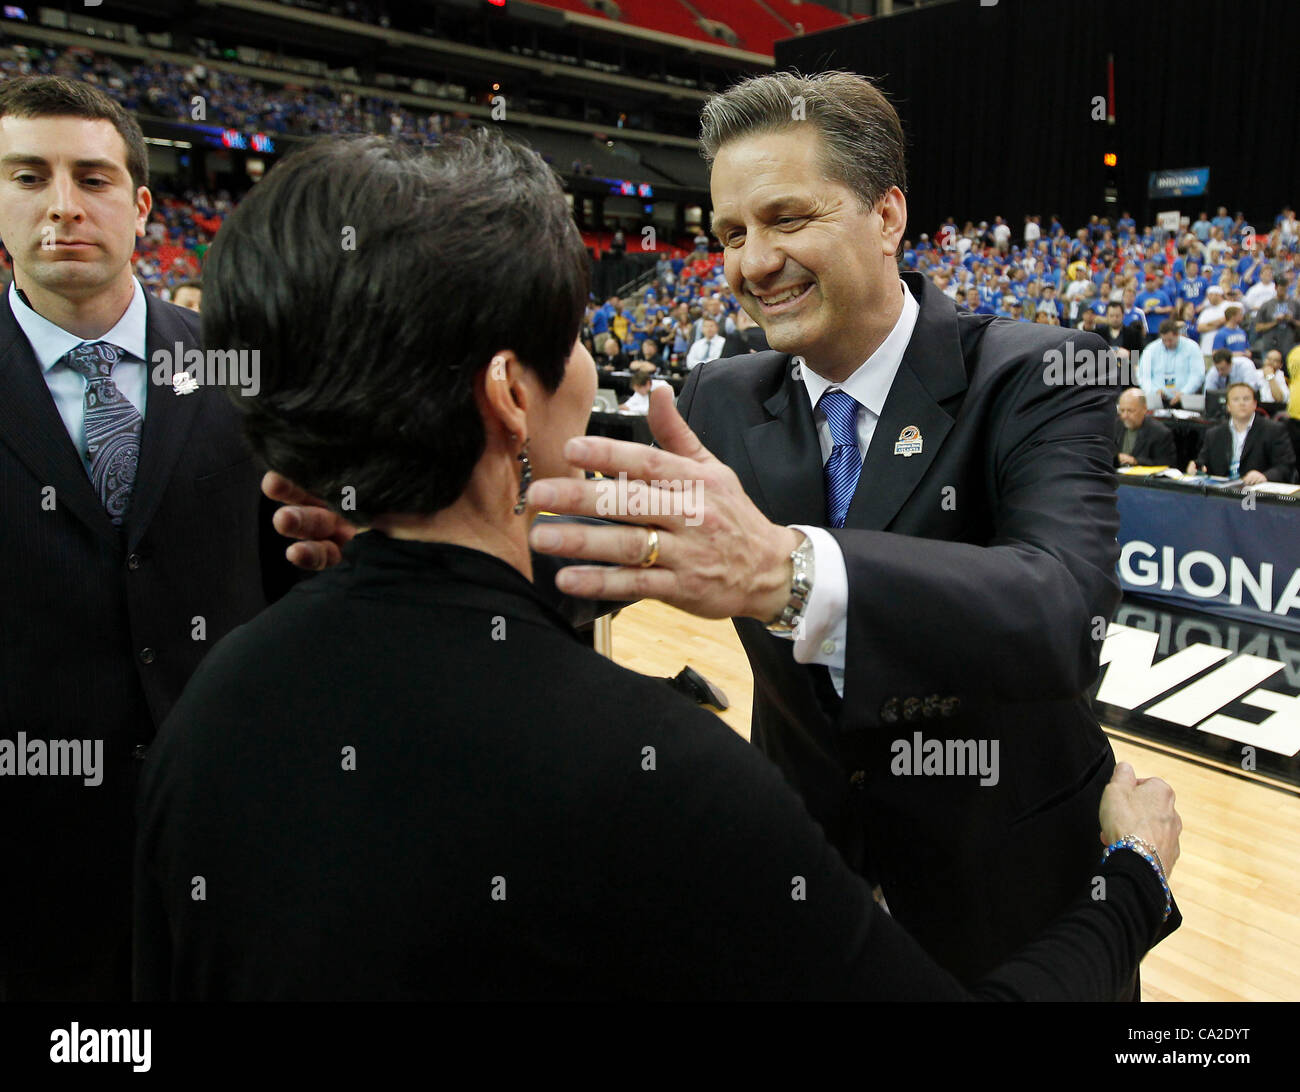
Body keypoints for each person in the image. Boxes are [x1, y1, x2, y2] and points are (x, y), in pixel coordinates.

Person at [141, 131, 1181, 1002]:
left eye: (786, 219)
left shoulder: (211, 704)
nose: (749, 261)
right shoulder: (721, 401)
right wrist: (1136, 881)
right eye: (728, 232)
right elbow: (576, 555)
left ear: (888, 215)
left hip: (990, 891)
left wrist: (389, 540)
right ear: (512, 394)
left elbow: (1064, 609)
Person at [0, 75, 296, 1001]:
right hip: (26, 853)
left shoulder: (237, 367)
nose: (61, 205)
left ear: (140, 205)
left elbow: (289, 576)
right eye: (26, 176)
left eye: (91, 178)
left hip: (222, 819)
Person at [1188, 382, 1298, 483]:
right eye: (1236, 399)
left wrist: (1265, 476)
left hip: (1258, 493)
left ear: (1255, 404)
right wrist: (1196, 466)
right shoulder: (1214, 434)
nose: (1242, 403)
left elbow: (1286, 467)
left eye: (1246, 399)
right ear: (1228, 407)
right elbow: (1202, 461)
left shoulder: (1274, 430)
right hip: (1222, 494)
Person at [1137, 320, 1205, 406]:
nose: (1167, 343)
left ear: (1177, 335)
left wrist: (1184, 392)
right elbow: (1143, 376)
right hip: (1158, 400)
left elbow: (1197, 374)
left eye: (1170, 340)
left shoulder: (1192, 347)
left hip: (1185, 399)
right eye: (1164, 340)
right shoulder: (1151, 349)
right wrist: (1153, 391)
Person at [1113, 388, 1176, 467]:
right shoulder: (1114, 427)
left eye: (1130, 411)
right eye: (1122, 410)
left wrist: (1136, 461)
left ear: (1144, 409)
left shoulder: (1160, 433)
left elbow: (1166, 464)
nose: (1125, 416)